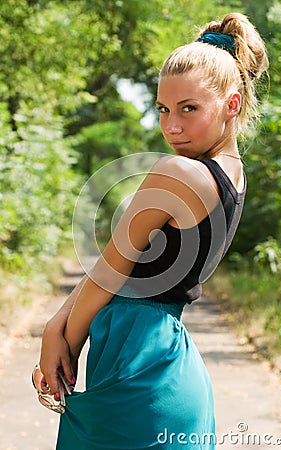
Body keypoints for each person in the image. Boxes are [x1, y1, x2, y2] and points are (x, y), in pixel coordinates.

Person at [33, 12, 268, 450]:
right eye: (163, 109)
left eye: (189, 109)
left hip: (137, 368)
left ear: (232, 105)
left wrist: (63, 344)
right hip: (160, 363)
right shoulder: (231, 176)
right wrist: (53, 327)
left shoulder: (178, 173)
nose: (171, 126)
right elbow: (113, 262)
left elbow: (109, 274)